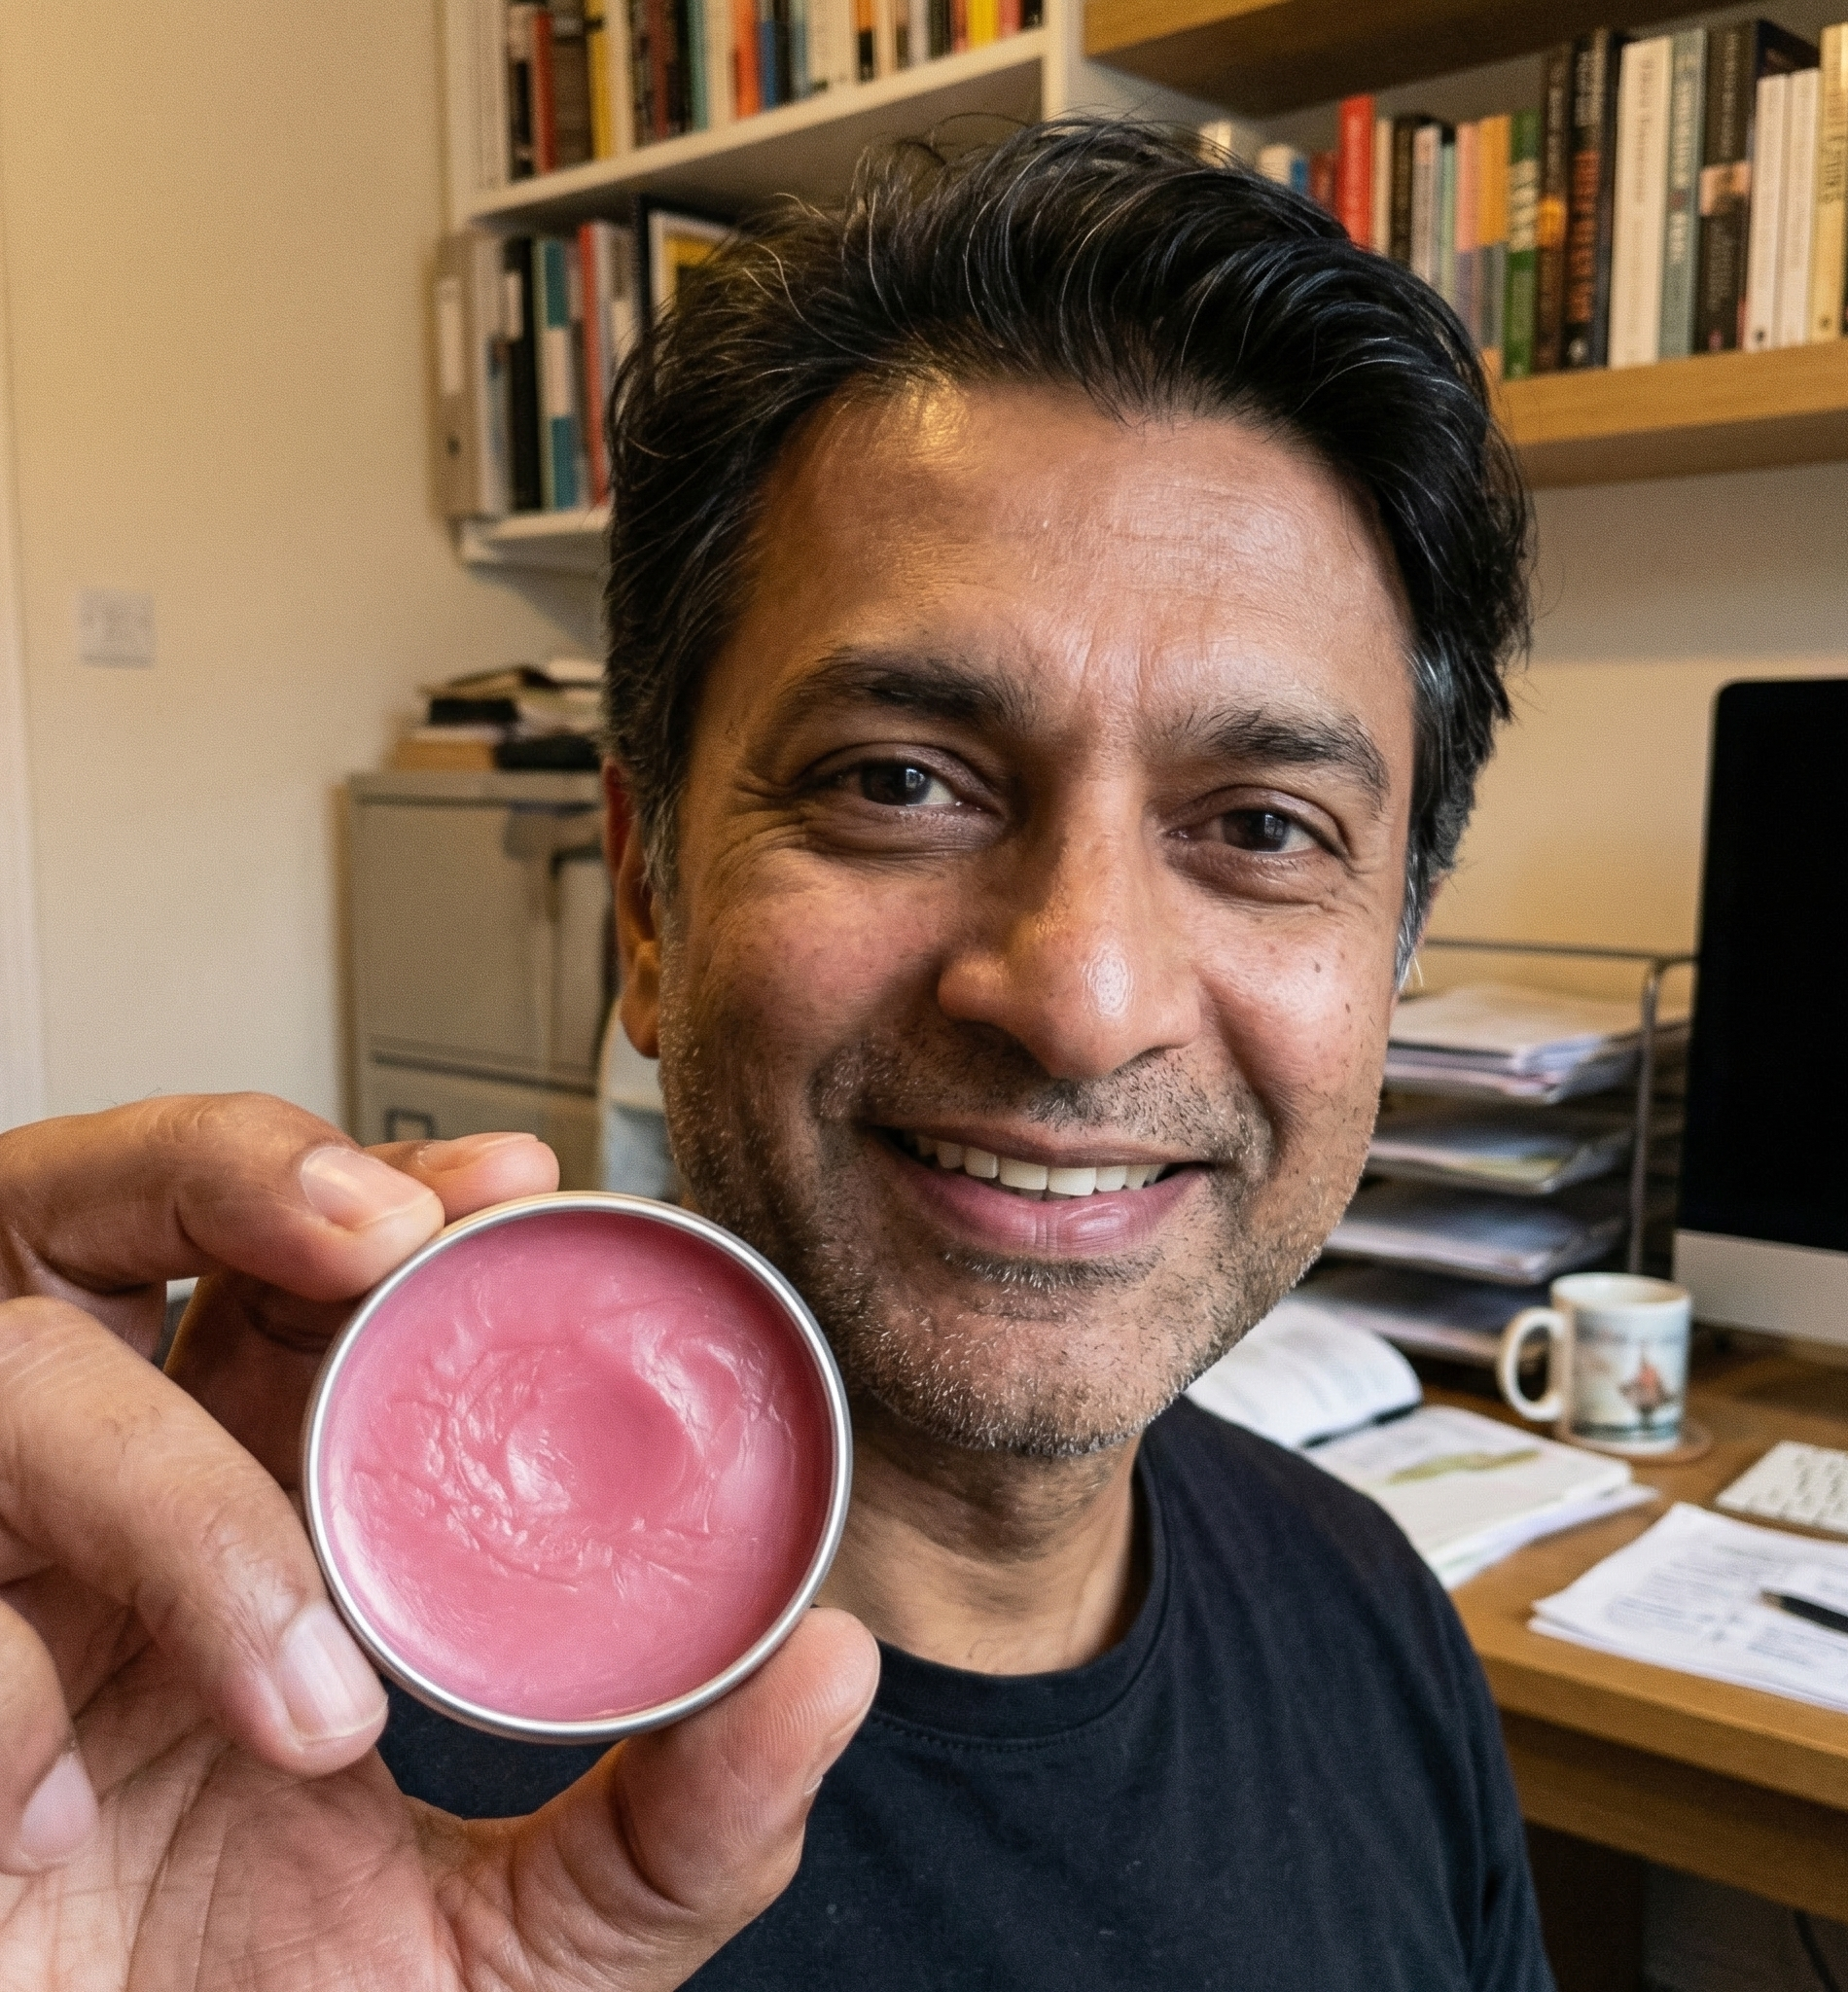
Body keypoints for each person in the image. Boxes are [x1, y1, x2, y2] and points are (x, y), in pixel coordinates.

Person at [0, 118, 1543, 1988]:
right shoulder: (182, 1749)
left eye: (1264, 826)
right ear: (649, 897)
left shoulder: (1376, 1623)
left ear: (1393, 954)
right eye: (901, 782)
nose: (1081, 993)